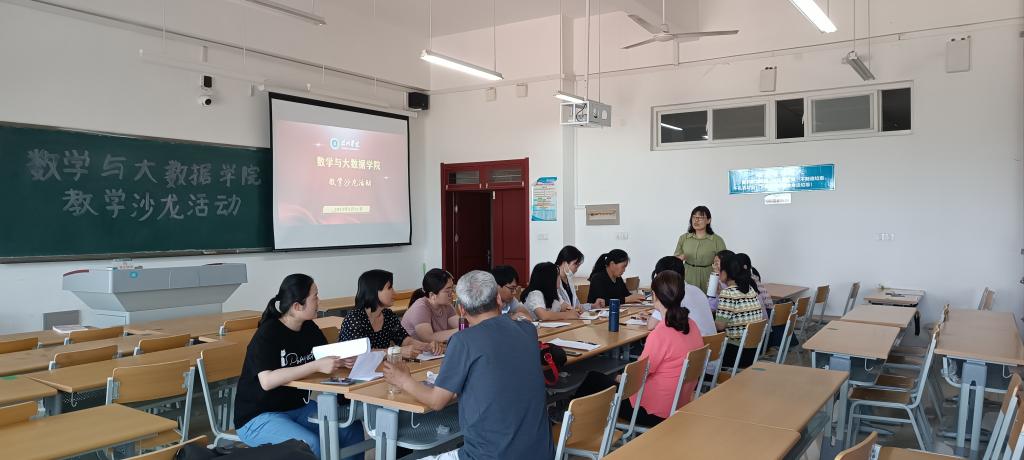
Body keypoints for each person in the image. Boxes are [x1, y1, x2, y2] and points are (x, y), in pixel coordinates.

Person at [383, 271, 554, 460]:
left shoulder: (464, 341)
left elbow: (436, 401)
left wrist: (403, 380)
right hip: (540, 452)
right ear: (498, 299)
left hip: (489, 455)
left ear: (461, 310)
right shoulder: (528, 330)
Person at [234, 274, 364, 460]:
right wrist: (315, 365)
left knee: (352, 431)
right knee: (309, 444)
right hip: (258, 416)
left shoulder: (309, 328)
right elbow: (267, 381)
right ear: (297, 306)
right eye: (315, 297)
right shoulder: (268, 333)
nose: (319, 301)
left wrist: (341, 361)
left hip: (297, 407)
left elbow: (323, 358)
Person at [572, 271, 705, 426]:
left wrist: (618, 377)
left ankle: (571, 422)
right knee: (608, 379)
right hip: (680, 403)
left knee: (593, 378)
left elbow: (637, 375)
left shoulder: (661, 333)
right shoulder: (691, 325)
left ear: (654, 296)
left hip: (651, 410)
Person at [339, 269, 444, 356]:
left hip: (379, 368)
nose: (394, 292)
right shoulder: (355, 318)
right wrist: (397, 351)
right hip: (351, 372)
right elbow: (360, 353)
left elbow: (405, 340)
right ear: (374, 291)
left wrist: (427, 346)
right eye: (389, 288)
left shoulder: (388, 315)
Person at [644, 256, 716, 338]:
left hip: (694, 343)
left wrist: (649, 318)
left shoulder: (670, 293)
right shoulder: (696, 289)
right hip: (712, 343)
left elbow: (651, 326)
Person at [715, 255, 766, 370]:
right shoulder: (750, 289)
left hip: (734, 353)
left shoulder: (728, 293)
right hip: (752, 352)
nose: (718, 272)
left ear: (726, 272)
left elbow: (720, 326)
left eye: (720, 269)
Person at [674, 206, 727, 292]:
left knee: (708, 299)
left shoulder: (717, 240)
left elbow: (725, 262)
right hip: (688, 276)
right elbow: (674, 260)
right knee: (688, 298)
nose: (696, 220)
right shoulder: (684, 238)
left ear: (708, 220)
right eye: (694, 217)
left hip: (709, 277)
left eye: (700, 217)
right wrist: (679, 258)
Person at [401, 269, 459, 342]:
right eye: (447, 291)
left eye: (452, 289)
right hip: (416, 348)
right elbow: (428, 337)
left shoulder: (446, 305)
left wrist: (467, 325)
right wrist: (462, 329)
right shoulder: (420, 307)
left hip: (435, 348)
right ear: (432, 295)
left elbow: (459, 324)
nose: (452, 294)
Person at [554, 246, 604, 310]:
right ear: (565, 263)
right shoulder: (552, 279)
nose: (576, 270)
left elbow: (577, 306)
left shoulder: (569, 280)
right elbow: (559, 307)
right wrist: (572, 310)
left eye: (578, 266)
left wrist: (593, 306)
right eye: (575, 265)